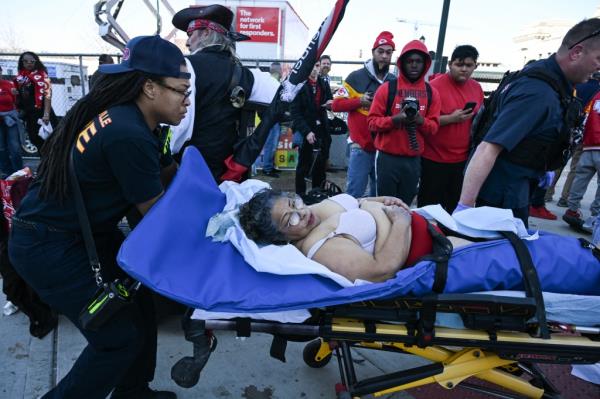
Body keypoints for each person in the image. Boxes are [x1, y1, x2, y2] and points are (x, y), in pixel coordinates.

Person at [8, 35, 189, 399]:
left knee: (139, 306)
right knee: (116, 339)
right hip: (52, 246)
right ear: (150, 88)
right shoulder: (128, 134)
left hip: (82, 234)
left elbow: (172, 173)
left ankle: (132, 391)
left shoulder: (131, 120)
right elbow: (157, 218)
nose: (187, 101)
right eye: (181, 91)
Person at [457, 18, 600, 227]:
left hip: (515, 189)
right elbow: (487, 148)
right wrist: (465, 208)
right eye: (598, 58)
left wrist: (540, 168)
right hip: (500, 200)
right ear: (577, 52)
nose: (598, 67)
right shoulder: (538, 93)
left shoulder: (551, 82)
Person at [170, 4, 255, 182]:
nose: (187, 42)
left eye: (191, 34)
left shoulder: (186, 65)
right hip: (227, 171)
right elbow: (281, 99)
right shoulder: (248, 74)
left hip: (189, 170)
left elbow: (176, 128)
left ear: (207, 33)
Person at [367, 39, 441, 205]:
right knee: (384, 206)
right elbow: (371, 122)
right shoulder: (387, 88)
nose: (414, 65)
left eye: (418, 61)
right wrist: (395, 120)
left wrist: (419, 120)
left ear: (425, 64)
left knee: (405, 206)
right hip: (387, 159)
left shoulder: (431, 92)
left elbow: (434, 128)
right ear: (402, 63)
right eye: (409, 61)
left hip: (413, 160)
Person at [419, 45, 483, 212]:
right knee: (429, 209)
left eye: (469, 65)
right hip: (433, 159)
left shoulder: (477, 88)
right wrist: (450, 119)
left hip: (462, 161)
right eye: (459, 64)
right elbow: (421, 122)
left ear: (475, 66)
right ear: (450, 65)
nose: (464, 69)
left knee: (455, 210)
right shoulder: (433, 87)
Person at [332, 31, 395, 198]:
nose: (384, 56)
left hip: (384, 148)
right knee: (354, 194)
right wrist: (360, 101)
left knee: (379, 195)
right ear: (373, 52)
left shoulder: (393, 81)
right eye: (380, 51)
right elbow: (336, 105)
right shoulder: (355, 77)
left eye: (388, 52)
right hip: (360, 147)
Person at [290, 61, 333, 196]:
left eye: (317, 66)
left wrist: (330, 104)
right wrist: (306, 131)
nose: (315, 69)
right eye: (312, 65)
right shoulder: (299, 85)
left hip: (322, 130)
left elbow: (329, 101)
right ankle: (300, 196)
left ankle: (317, 195)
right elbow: (295, 113)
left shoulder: (323, 83)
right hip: (306, 130)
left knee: (320, 167)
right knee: (303, 167)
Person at [562, 88, 600, 233]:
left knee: (580, 179)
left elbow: (585, 118)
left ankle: (572, 209)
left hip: (588, 144)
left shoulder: (596, 95)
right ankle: (596, 217)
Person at [14, 51, 58, 156]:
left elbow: (47, 95)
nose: (29, 63)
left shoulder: (43, 75)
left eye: (32, 61)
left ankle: (52, 168)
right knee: (35, 140)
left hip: (42, 113)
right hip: (30, 115)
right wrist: (16, 93)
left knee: (49, 143)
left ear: (36, 62)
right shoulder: (20, 78)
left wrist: (46, 114)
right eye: (25, 61)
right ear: (22, 62)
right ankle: (44, 167)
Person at [256, 62, 283, 177]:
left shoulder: (268, 83)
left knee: (272, 144)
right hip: (271, 120)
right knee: (270, 145)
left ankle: (269, 166)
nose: (282, 72)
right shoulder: (273, 84)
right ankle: (267, 168)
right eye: (281, 70)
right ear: (278, 71)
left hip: (271, 119)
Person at [0, 65, 23, 176]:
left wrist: (17, 96)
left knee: (15, 148)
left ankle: (19, 173)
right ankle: (6, 173)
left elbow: (16, 103)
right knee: (1, 148)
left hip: (11, 120)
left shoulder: (9, 85)